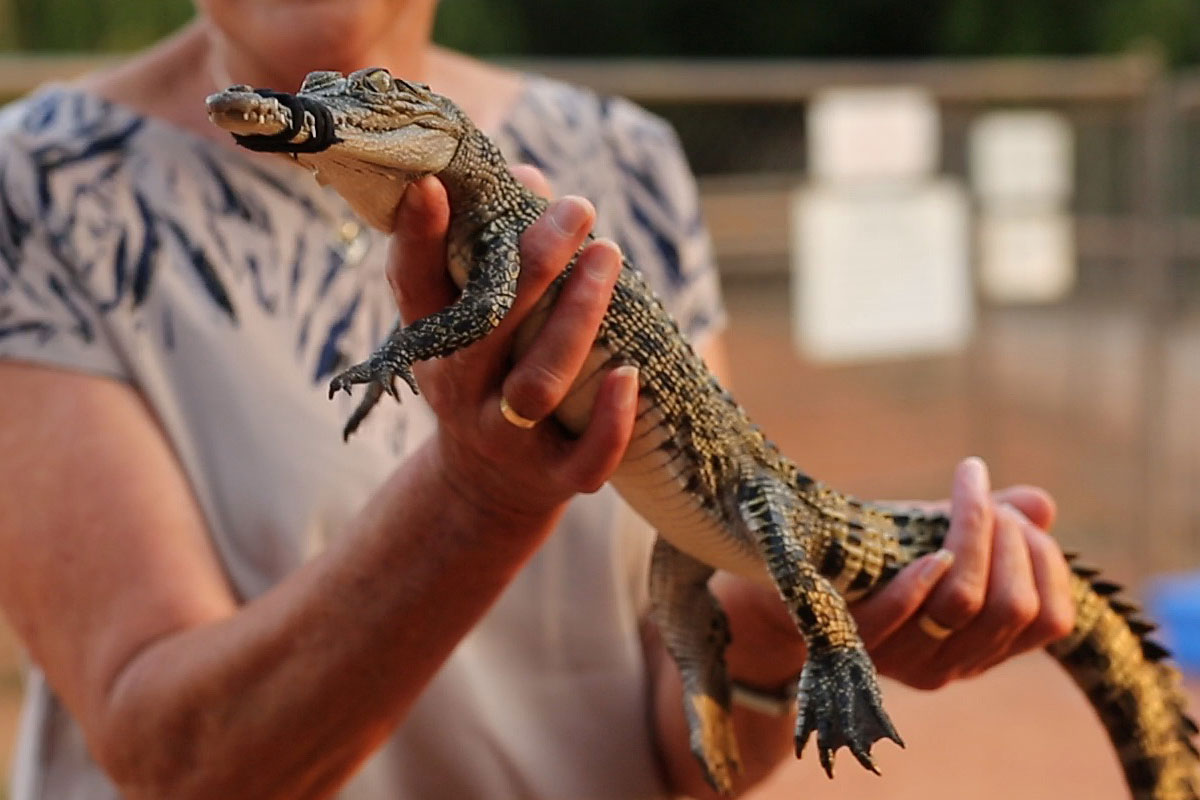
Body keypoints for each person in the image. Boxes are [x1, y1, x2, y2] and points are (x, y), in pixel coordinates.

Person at [0, 2, 1076, 798]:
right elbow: (175, 762)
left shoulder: (629, 160)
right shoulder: (39, 188)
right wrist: (477, 493)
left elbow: (675, 735)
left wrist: (776, 633)